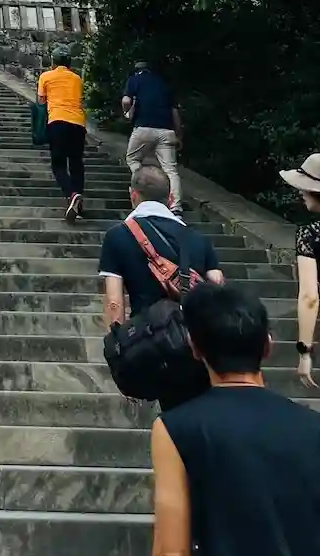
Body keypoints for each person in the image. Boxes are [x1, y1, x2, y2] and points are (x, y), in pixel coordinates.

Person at [150, 282, 320, 556]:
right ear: (267, 346)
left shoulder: (175, 429)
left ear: (195, 348)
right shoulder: (313, 426)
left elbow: (171, 550)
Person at [99, 164, 224, 410]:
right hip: (196, 343)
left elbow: (114, 303)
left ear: (133, 195)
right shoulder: (198, 239)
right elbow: (218, 285)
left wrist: (119, 359)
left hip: (150, 345)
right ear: (170, 198)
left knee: (169, 414)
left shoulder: (118, 236)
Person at [279, 151, 320, 389]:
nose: (300, 193)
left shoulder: (310, 234)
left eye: (304, 188)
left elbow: (309, 297)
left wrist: (304, 351)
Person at [123, 59, 184, 213]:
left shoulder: (135, 79)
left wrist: (127, 113)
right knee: (170, 170)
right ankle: (176, 207)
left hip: (143, 128)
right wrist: (178, 135)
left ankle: (145, 187)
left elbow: (126, 100)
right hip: (166, 131)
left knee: (132, 158)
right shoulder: (164, 84)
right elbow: (174, 112)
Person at [36, 50, 88, 222]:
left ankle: (71, 194)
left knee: (58, 164)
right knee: (76, 163)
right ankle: (78, 201)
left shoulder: (46, 76)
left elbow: (41, 101)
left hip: (57, 121)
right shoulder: (77, 78)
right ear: (69, 63)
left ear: (53, 62)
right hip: (78, 123)